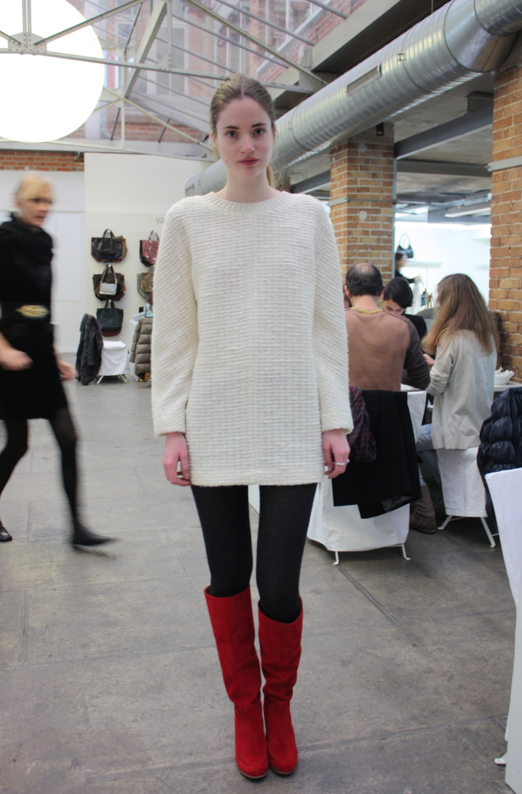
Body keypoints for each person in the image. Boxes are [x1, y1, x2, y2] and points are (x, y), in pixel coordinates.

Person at [151, 74, 352, 780]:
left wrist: (335, 421)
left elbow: (327, 327)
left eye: (258, 130)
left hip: (293, 419)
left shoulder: (309, 217)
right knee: (229, 573)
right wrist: (172, 428)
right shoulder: (187, 220)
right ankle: (245, 708)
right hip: (214, 419)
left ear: (274, 135)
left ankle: (280, 704)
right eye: (232, 132)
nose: (246, 144)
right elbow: (176, 333)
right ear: (214, 139)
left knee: (281, 583)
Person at [0, 174, 112, 547]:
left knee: (68, 437)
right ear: (18, 201)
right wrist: (3, 350)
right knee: (18, 444)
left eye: (48, 201)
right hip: (8, 354)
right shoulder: (3, 240)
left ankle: (77, 527)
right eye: (36, 200)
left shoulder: (45, 242)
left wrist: (53, 355)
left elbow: (42, 307)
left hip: (38, 351)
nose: (43, 207)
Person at [412, 274, 498, 532]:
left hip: (456, 428)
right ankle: (447, 495)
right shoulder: (486, 337)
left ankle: (427, 507)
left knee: (408, 440)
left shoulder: (451, 337)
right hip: (481, 426)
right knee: (423, 442)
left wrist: (424, 367)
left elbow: (435, 387)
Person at [344, 262, 430, 391]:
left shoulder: (336, 322)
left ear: (347, 291)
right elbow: (422, 380)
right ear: (381, 291)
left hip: (344, 402)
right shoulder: (403, 327)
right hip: (387, 402)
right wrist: (395, 372)